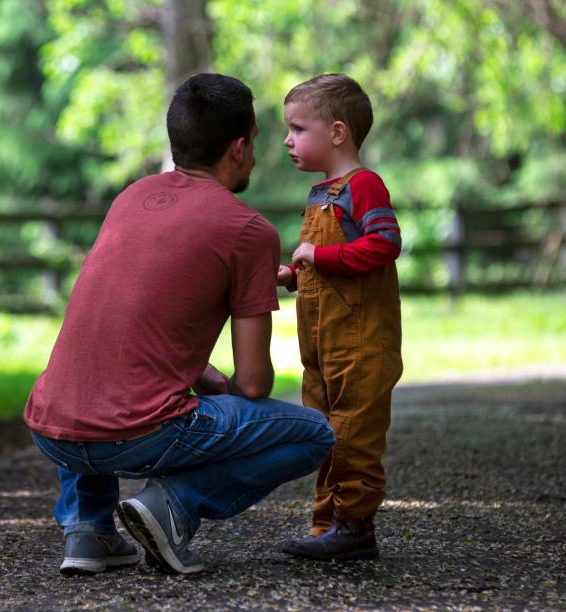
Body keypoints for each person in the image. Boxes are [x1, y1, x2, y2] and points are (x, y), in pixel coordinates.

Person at [24, 73, 335, 576]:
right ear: (238, 148)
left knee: (89, 387)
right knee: (315, 434)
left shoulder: (130, 199)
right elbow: (254, 383)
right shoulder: (249, 231)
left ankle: (90, 531)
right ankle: (174, 505)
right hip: (138, 435)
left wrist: (198, 371)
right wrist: (216, 399)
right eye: (255, 142)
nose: (256, 153)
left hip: (52, 426)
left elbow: (135, 321)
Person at [276, 74, 403, 561]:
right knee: (324, 432)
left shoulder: (364, 185)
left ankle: (354, 526)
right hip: (322, 347)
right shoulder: (319, 192)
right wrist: (294, 271)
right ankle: (326, 525)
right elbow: (322, 257)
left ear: (337, 132)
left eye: (297, 129)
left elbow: (384, 243)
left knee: (353, 435)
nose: (288, 140)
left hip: (361, 344)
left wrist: (318, 257)